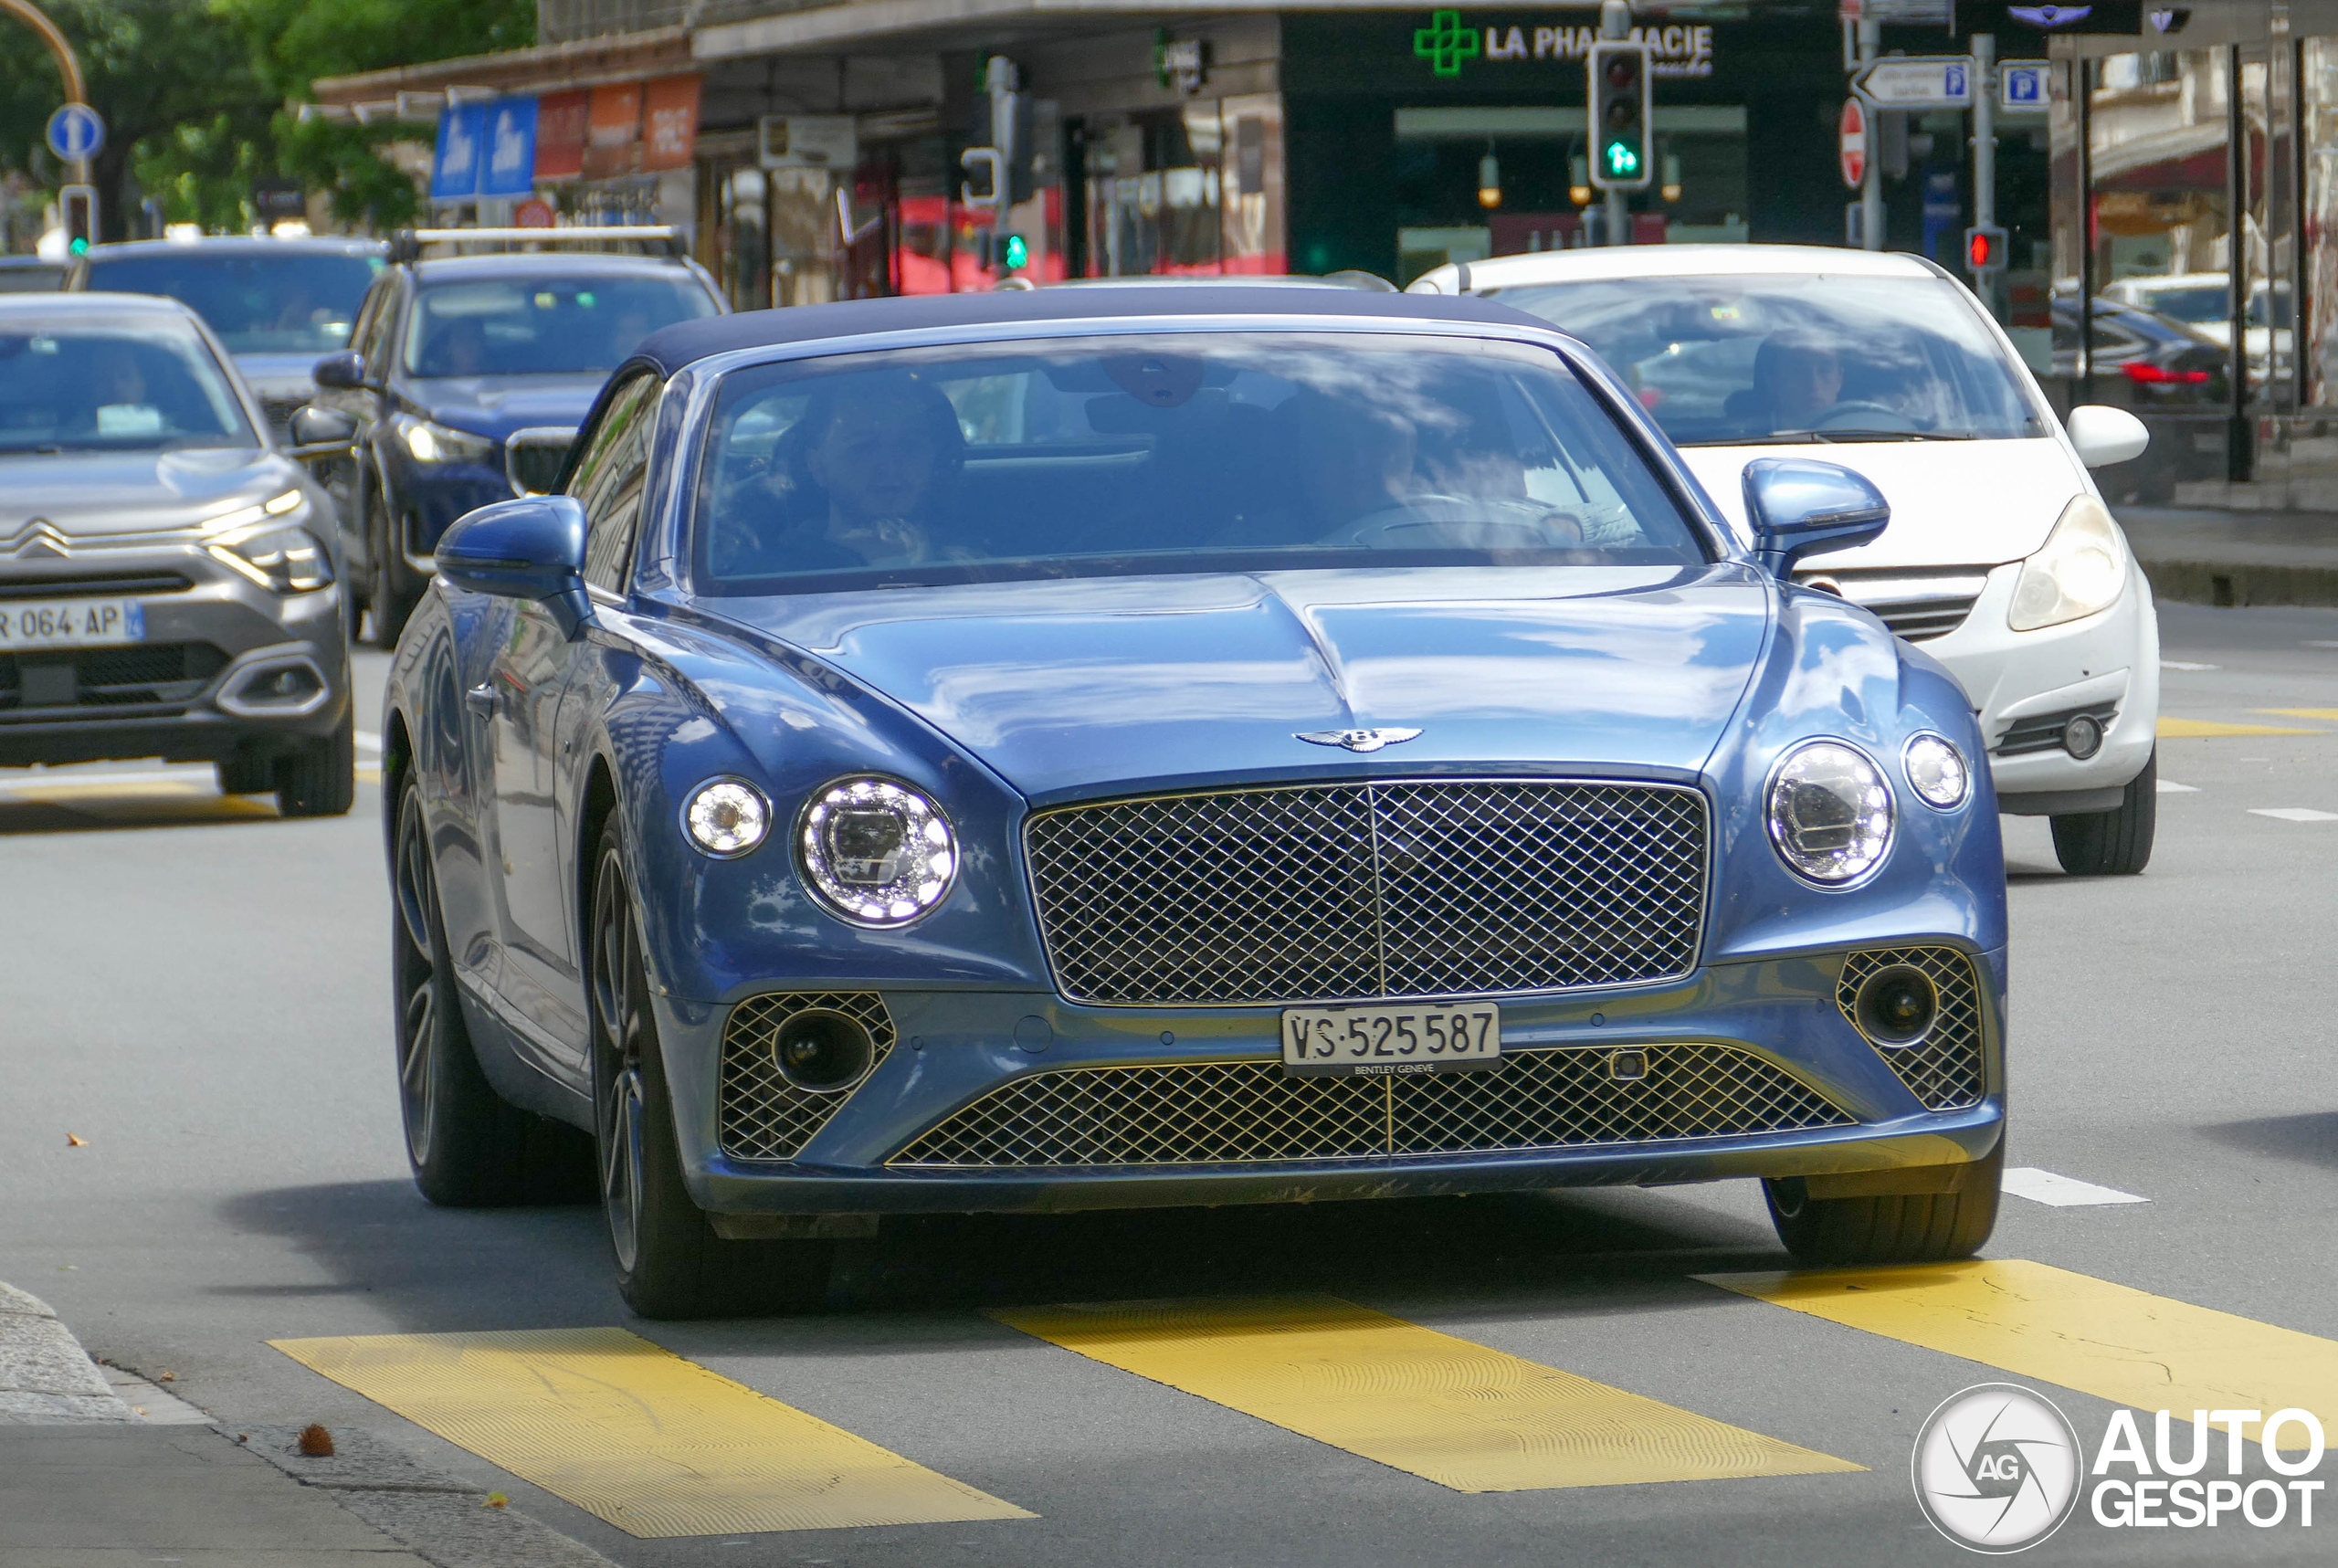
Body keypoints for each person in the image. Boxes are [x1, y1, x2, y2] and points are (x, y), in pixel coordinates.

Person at [717, 373, 966, 574]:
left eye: (909, 445)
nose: (890, 466)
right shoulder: (768, 577)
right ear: (816, 465)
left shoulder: (979, 569)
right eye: (863, 448)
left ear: (937, 461)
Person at [1743, 331, 1846, 431]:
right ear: (1772, 381)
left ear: (1839, 379)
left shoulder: (1859, 438)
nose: (1814, 385)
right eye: (1798, 371)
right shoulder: (1741, 441)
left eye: (1824, 370)